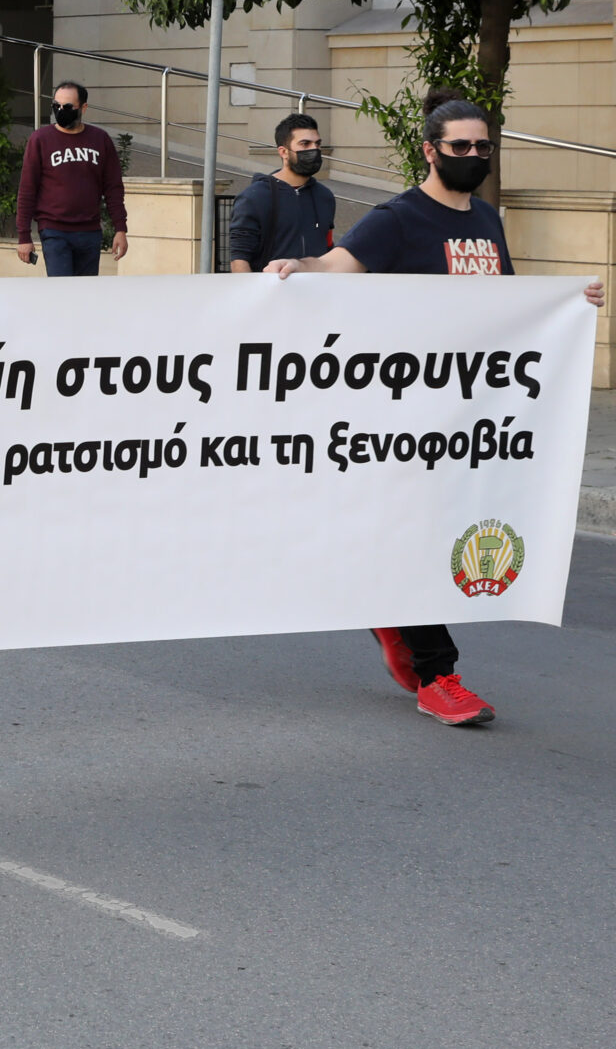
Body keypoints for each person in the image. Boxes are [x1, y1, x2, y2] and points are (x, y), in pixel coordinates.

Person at [263, 96, 607, 727]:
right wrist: (298, 267)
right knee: (420, 535)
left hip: (470, 415)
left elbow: (508, 304)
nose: (473, 157)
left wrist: (568, 301)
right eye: (459, 147)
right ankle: (437, 674)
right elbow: (337, 267)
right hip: (410, 416)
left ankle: (392, 618)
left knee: (438, 530)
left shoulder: (486, 219)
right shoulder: (399, 218)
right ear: (430, 149)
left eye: (483, 148)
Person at [16, 81, 128, 275]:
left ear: (83, 108)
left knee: (85, 296)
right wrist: (24, 236)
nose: (61, 111)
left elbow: (113, 188)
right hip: (54, 230)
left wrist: (120, 228)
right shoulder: (40, 139)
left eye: (67, 107)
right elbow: (27, 188)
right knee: (62, 294)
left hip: (90, 231)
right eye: (56, 106)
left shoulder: (100, 139)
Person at [229, 112, 337, 273]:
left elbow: (328, 248)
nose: (314, 149)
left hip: (317, 292)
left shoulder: (325, 197)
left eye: (317, 144)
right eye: (305, 144)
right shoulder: (255, 197)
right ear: (283, 152)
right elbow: (239, 258)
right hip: (271, 291)